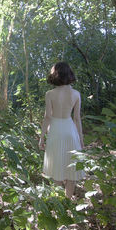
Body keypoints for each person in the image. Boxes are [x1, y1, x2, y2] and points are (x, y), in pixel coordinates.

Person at [39, 62, 85, 198]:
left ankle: (60, 205)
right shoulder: (76, 94)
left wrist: (42, 137)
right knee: (72, 169)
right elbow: (77, 118)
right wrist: (81, 139)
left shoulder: (50, 94)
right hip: (70, 130)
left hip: (56, 130)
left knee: (56, 166)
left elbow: (47, 117)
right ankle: (68, 201)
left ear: (56, 75)